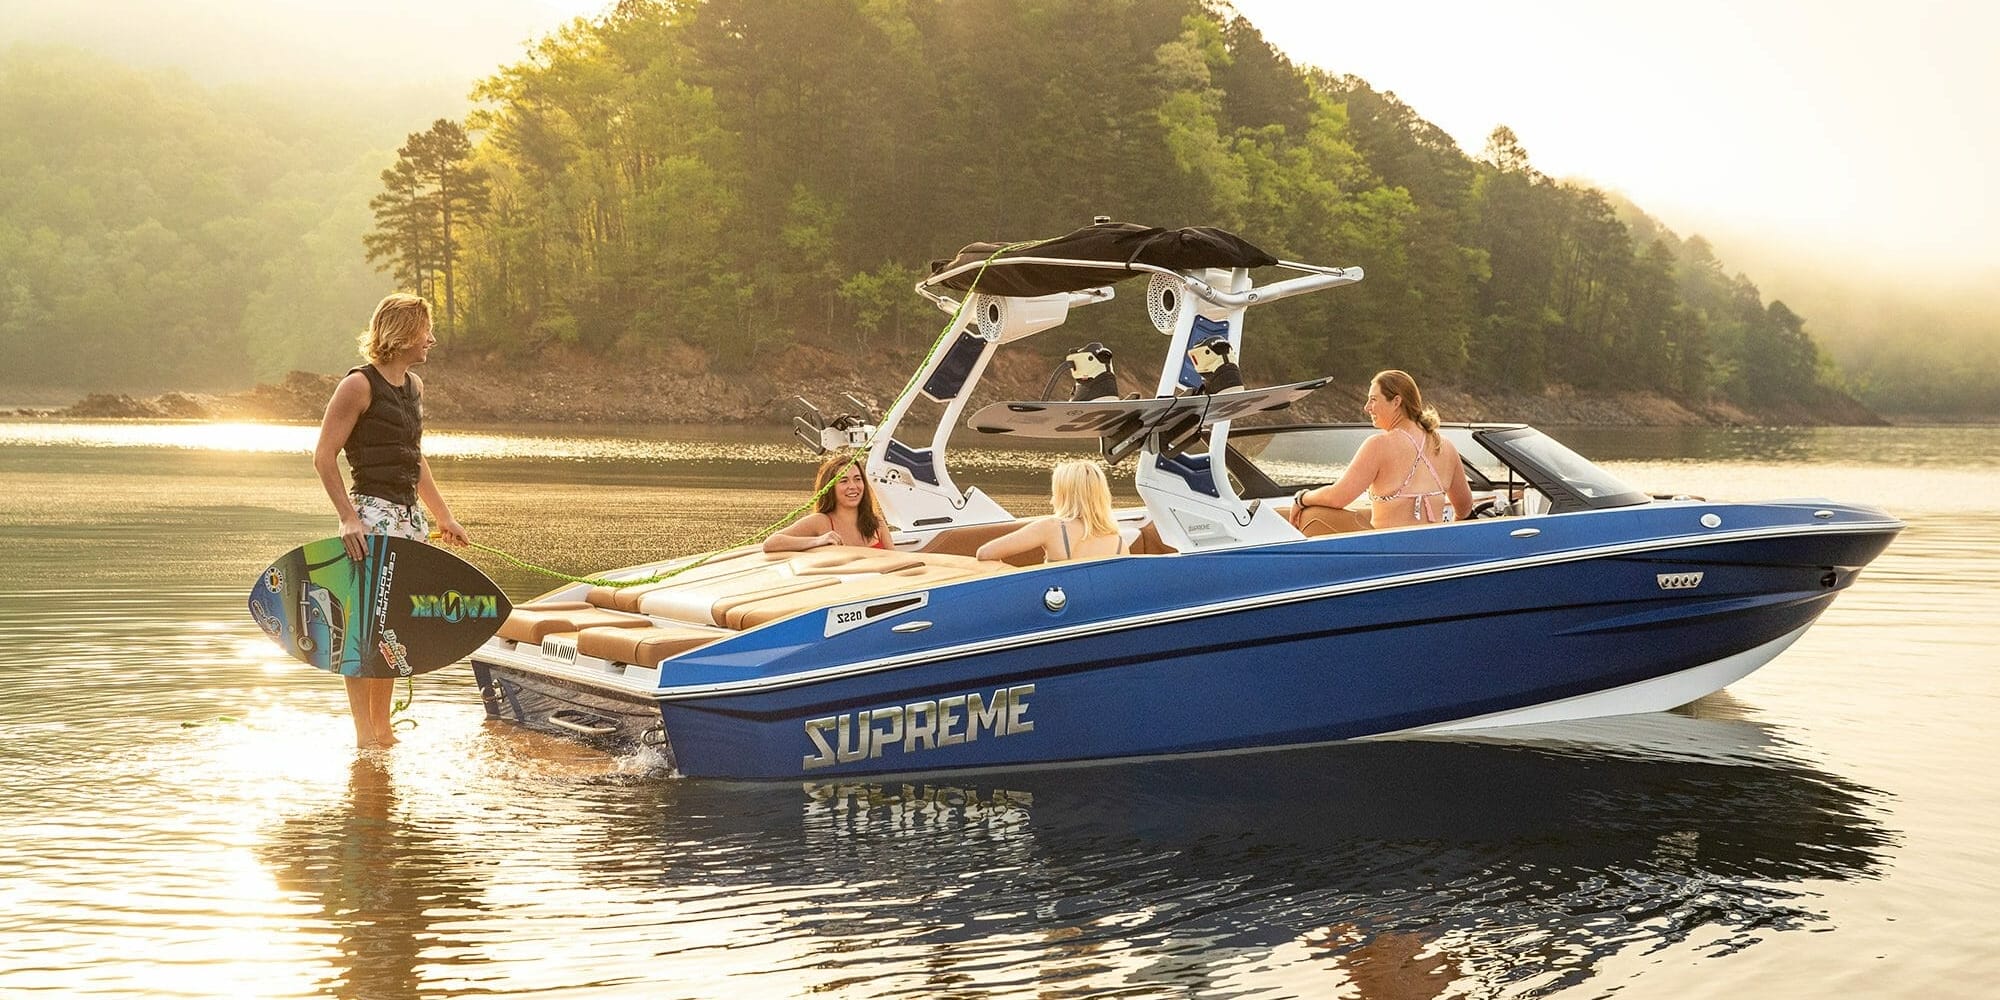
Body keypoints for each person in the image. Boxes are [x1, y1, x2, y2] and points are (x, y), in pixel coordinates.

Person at [312, 292, 469, 750]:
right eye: (425, 330)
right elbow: (324, 457)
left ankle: (383, 730)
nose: (432, 340)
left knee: (392, 631)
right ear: (401, 334)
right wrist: (347, 518)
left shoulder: (414, 387)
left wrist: (443, 516)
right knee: (364, 630)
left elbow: (412, 458)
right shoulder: (357, 386)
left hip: (409, 520)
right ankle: (364, 735)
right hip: (370, 519)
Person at [1288, 369, 1474, 530]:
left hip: (1389, 554)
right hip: (1434, 552)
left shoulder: (1379, 445)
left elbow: (1337, 497)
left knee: (1309, 513)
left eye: (1373, 400)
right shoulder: (1445, 446)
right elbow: (1464, 508)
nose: (1367, 407)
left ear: (1396, 402)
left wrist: (1301, 497)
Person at [976, 460, 1125, 563]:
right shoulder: (1119, 543)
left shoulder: (1052, 528)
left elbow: (985, 554)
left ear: (1065, 496)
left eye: (1055, 494)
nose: (1051, 501)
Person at [764, 450, 896, 551]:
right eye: (844, 481)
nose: (853, 486)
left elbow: (895, 558)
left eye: (857, 479)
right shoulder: (820, 522)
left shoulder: (876, 522)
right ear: (830, 487)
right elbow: (771, 543)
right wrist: (817, 541)